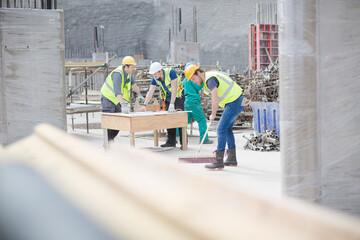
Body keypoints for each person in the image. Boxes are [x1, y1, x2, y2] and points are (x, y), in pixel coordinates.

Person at [185, 64, 248, 170]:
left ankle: (218, 160)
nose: (194, 81)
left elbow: (215, 98)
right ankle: (232, 158)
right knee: (227, 129)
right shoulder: (208, 78)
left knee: (220, 129)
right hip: (237, 100)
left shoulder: (210, 79)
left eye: (194, 78)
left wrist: (213, 114)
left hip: (235, 101)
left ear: (199, 72)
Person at [139, 62, 185, 148]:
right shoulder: (155, 78)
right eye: (153, 74)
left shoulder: (171, 72)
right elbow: (150, 92)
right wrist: (144, 105)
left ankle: (184, 143)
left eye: (155, 73)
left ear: (160, 71)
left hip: (178, 97)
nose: (154, 75)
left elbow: (174, 89)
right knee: (169, 120)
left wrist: (172, 104)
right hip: (167, 98)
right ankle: (171, 141)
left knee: (179, 119)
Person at [100, 56, 144, 141]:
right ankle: (108, 143)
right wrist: (123, 105)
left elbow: (133, 83)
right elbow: (117, 92)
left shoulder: (128, 74)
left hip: (116, 100)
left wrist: (139, 94)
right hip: (108, 98)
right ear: (126, 66)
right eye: (132, 67)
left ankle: (110, 140)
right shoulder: (118, 74)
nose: (134, 69)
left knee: (119, 122)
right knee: (110, 122)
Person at [182, 62, 213, 145]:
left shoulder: (185, 80)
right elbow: (198, 86)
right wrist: (203, 81)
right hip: (194, 102)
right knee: (201, 119)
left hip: (187, 101)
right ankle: (204, 139)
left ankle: (174, 134)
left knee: (184, 121)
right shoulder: (192, 78)